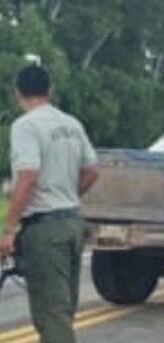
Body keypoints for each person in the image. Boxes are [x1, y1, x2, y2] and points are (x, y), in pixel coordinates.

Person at [0, 64, 100, 343]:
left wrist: (8, 230)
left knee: (51, 315)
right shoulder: (71, 124)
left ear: (18, 92)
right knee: (63, 310)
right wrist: (68, 195)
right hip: (71, 223)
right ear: (50, 91)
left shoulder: (25, 126)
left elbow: (27, 177)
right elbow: (93, 170)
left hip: (45, 230)